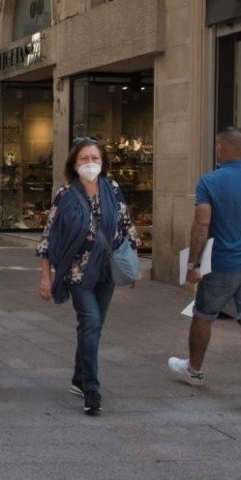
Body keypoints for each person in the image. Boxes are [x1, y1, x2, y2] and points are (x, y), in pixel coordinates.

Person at [166, 126, 241, 411]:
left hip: (223, 262)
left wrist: (193, 263)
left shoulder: (209, 181)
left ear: (220, 146)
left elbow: (202, 223)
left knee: (203, 316)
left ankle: (195, 370)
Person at [36, 138, 140, 415]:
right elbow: (49, 236)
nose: (90, 163)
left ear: (103, 162)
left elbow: (127, 226)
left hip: (106, 270)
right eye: (84, 158)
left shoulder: (113, 189)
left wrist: (133, 266)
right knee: (91, 322)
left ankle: (78, 378)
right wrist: (46, 276)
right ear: (74, 164)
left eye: (95, 158)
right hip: (77, 271)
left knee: (93, 327)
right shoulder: (66, 195)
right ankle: (91, 389)